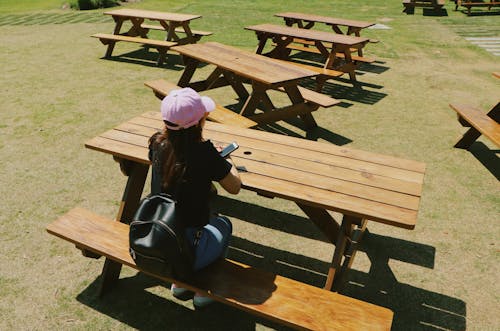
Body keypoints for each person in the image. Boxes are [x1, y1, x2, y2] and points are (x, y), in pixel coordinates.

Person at [148, 87, 241, 308]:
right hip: (187, 249)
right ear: (199, 122)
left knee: (197, 225)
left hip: (158, 236)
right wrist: (227, 162)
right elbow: (234, 186)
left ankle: (180, 285)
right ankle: (205, 288)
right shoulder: (204, 152)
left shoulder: (156, 143)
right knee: (223, 224)